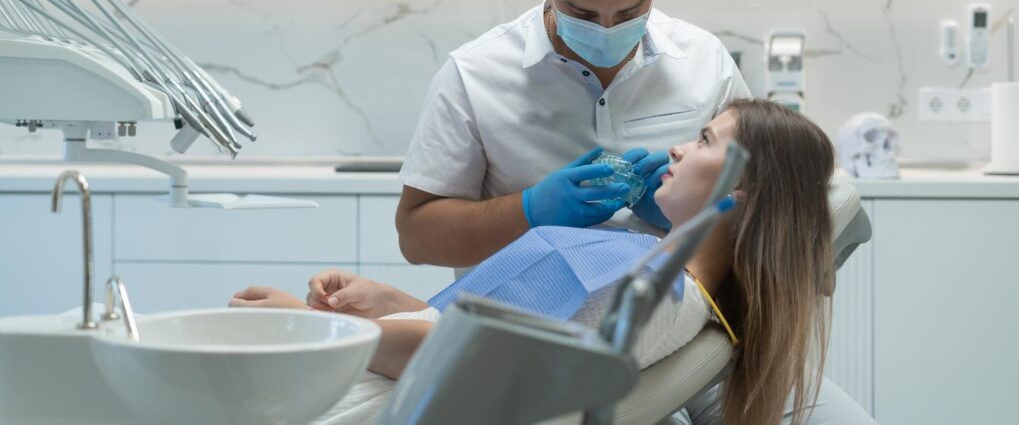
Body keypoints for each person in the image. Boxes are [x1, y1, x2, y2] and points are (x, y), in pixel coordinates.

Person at [232, 100, 874, 425]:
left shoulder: (653, 295)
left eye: (705, 139)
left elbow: (475, 371)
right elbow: (500, 331)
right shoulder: (653, 273)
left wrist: (319, 332)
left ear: (743, 193)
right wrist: (390, 304)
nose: (678, 148)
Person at [395, 0, 749, 272]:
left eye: (630, 12)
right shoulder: (473, 75)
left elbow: (768, 210)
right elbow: (415, 238)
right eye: (582, 14)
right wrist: (529, 211)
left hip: (668, 304)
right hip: (522, 305)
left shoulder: (707, 62)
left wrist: (688, 211)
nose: (607, 30)